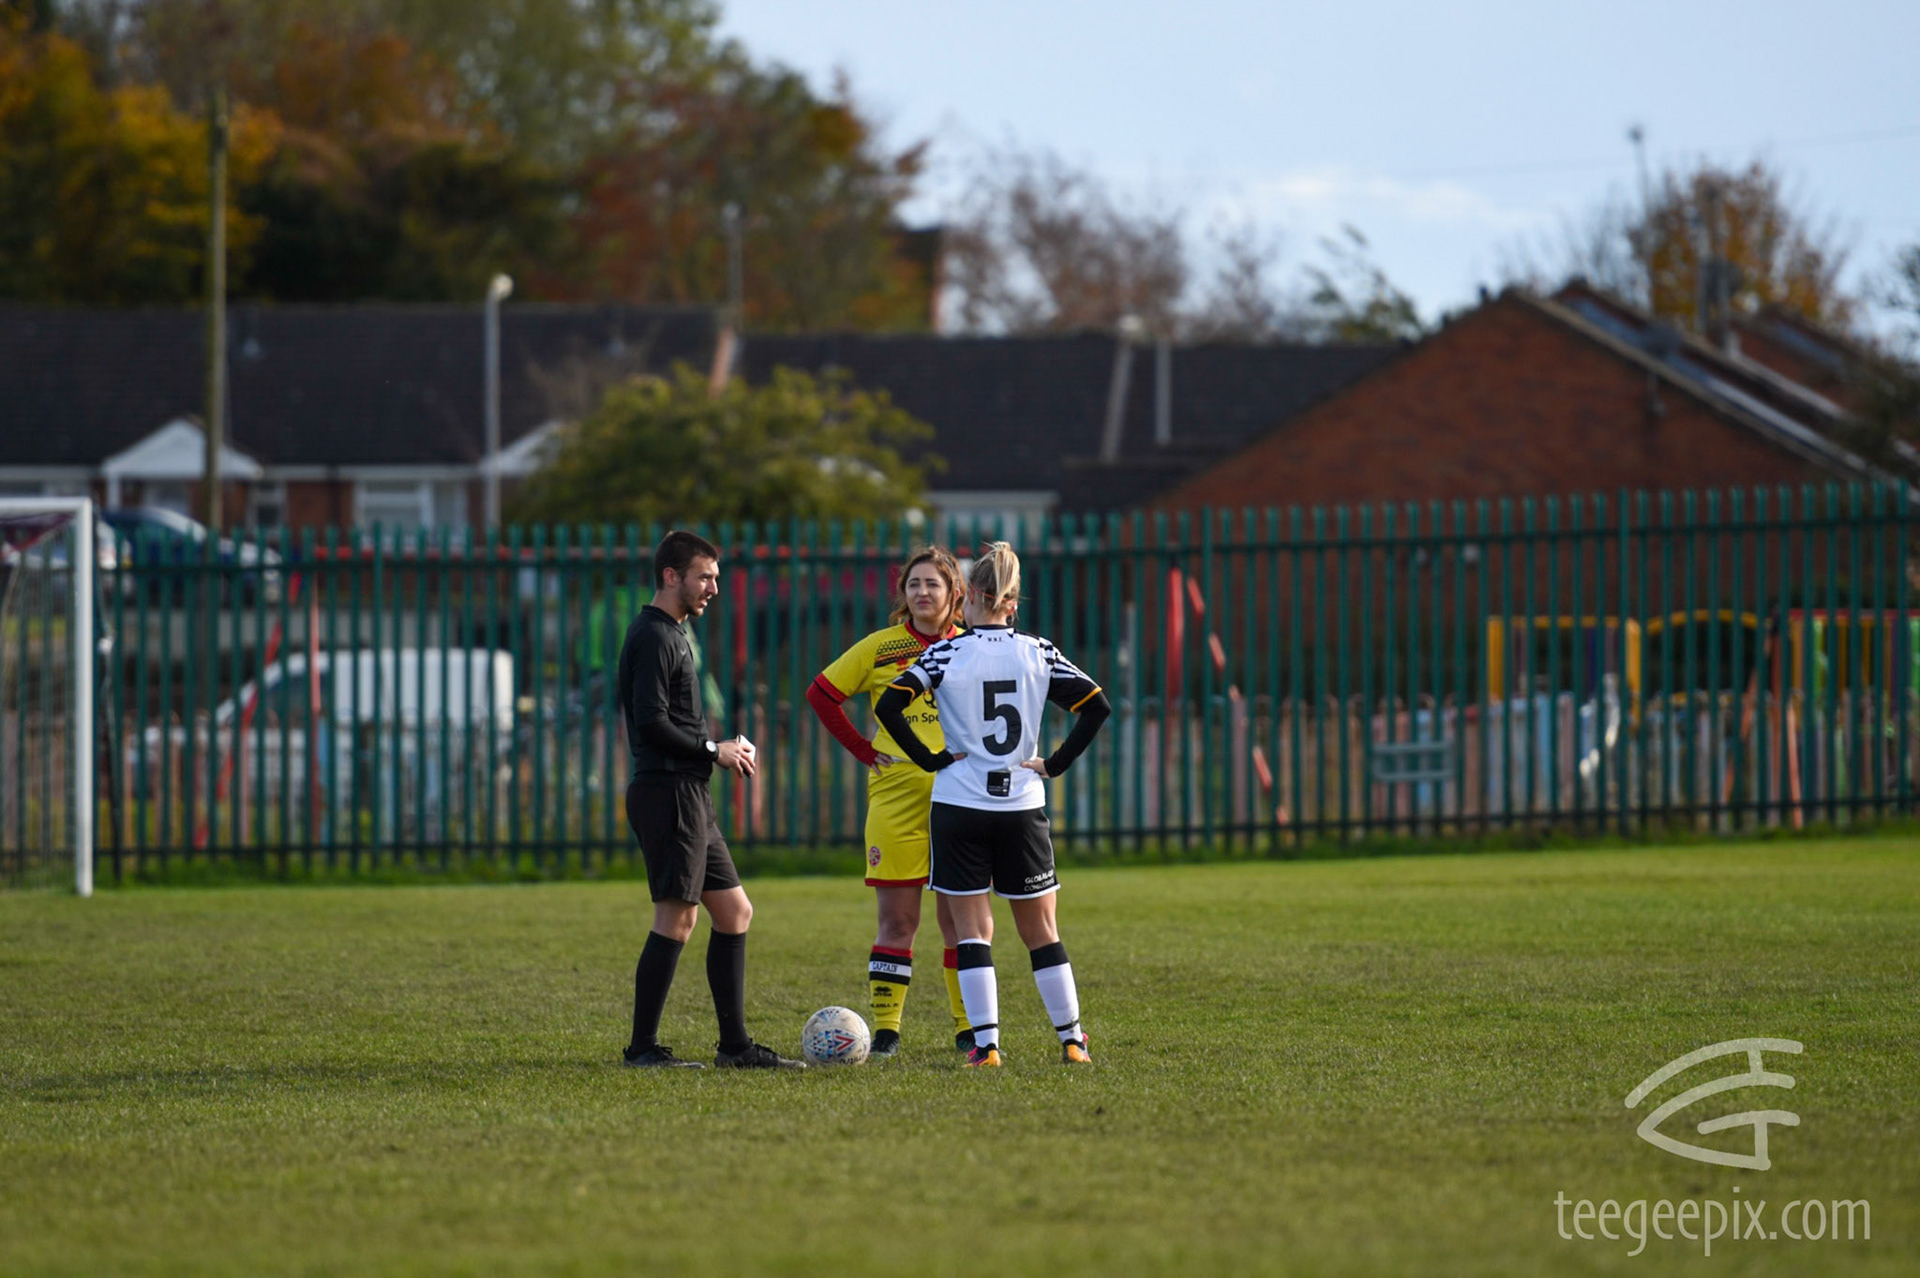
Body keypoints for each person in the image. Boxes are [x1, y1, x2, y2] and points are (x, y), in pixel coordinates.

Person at [874, 541, 1111, 1067]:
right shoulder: (1038, 651)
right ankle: (1072, 1041)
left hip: (959, 805)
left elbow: (890, 705)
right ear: (1012, 601)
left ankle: (987, 1047)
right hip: (1023, 806)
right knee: (1042, 932)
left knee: (971, 932)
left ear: (971, 597)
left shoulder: (944, 652)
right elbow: (1097, 707)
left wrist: (930, 758)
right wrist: (1054, 763)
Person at [618, 529, 803, 1069]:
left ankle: (735, 1047)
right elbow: (651, 723)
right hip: (668, 793)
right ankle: (643, 1049)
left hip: (689, 794)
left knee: (735, 910)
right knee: (676, 919)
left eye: (716, 578)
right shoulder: (653, 636)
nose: (713, 589)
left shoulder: (675, 633)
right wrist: (711, 748)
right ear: (671, 576)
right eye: (704, 576)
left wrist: (716, 750)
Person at [806, 546, 974, 1057]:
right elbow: (821, 693)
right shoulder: (881, 648)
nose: (922, 593)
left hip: (960, 800)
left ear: (955, 594)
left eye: (933, 584)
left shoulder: (972, 648)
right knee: (898, 921)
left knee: (959, 922)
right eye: (914, 584)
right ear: (903, 594)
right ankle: (885, 1032)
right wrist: (862, 748)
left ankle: (969, 1028)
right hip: (896, 798)